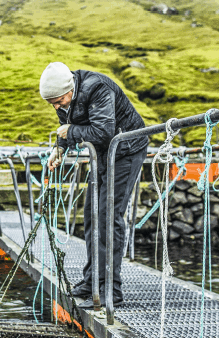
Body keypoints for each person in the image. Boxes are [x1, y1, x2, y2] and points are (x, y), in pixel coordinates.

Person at [40, 62, 148, 308]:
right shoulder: (64, 98)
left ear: (69, 89)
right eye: (51, 104)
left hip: (126, 150)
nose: (56, 107)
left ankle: (111, 289)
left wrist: (70, 132)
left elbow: (103, 131)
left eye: (58, 101)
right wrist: (59, 148)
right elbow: (67, 128)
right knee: (91, 215)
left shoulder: (98, 87)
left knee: (109, 217)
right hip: (102, 154)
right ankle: (92, 281)